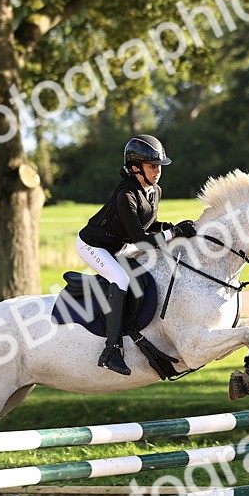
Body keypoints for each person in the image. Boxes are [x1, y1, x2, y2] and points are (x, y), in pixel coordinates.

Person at [76, 134, 198, 375]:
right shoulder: (126, 195)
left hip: (117, 247)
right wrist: (173, 233)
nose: (158, 171)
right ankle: (111, 350)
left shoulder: (154, 190)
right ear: (135, 168)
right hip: (92, 246)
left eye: (159, 166)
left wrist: (171, 227)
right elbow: (140, 239)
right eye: (152, 166)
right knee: (120, 279)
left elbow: (148, 224)